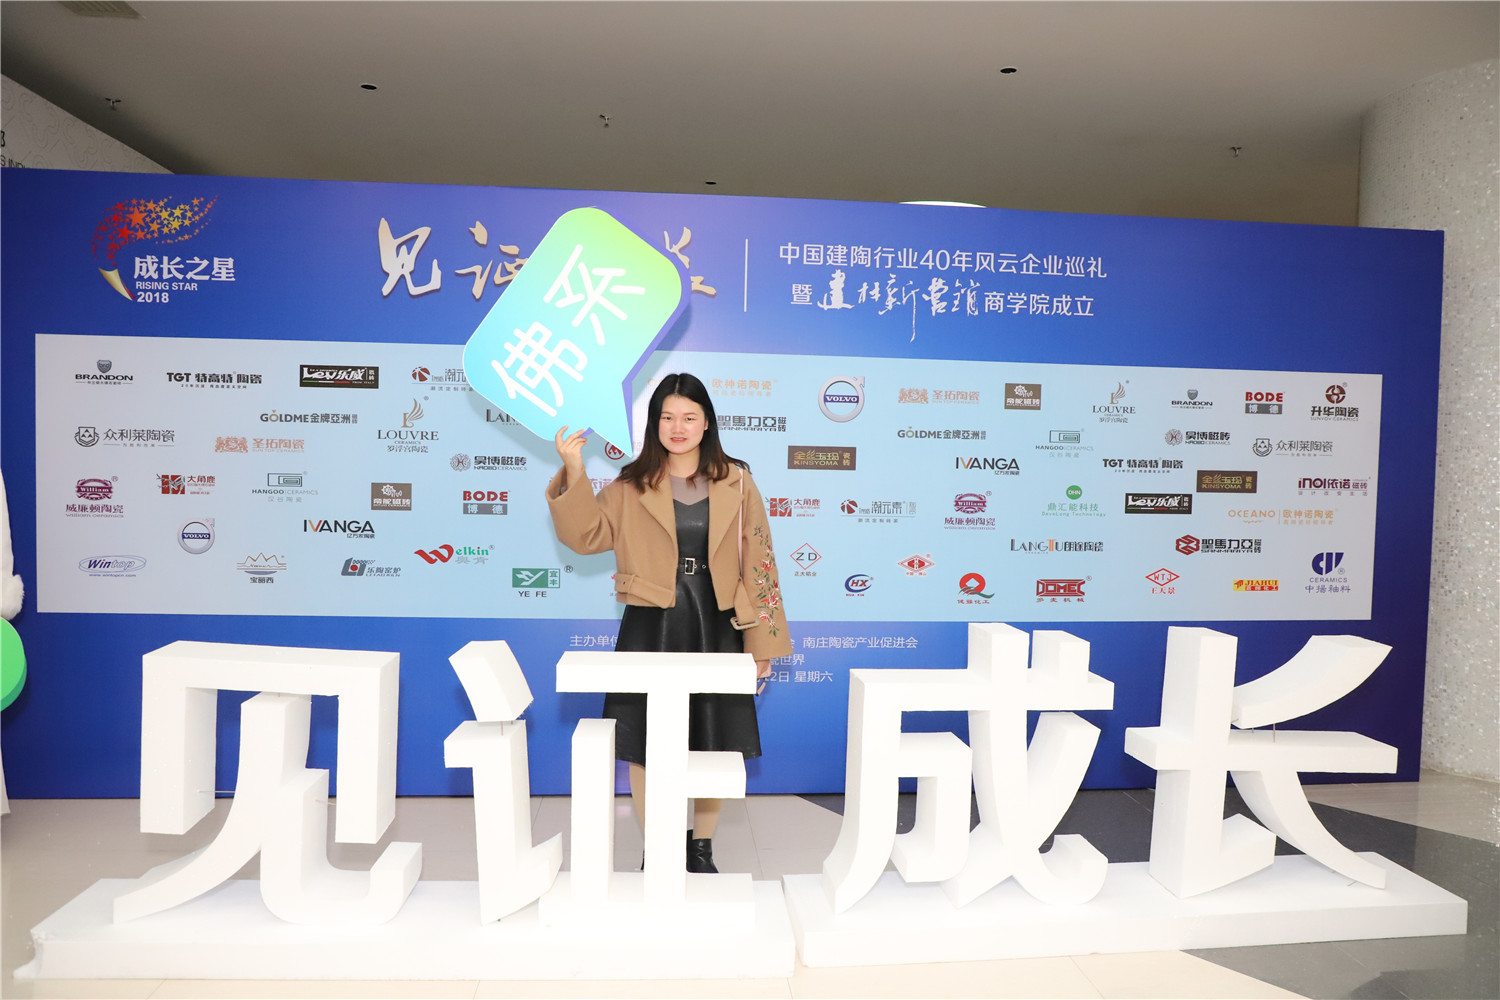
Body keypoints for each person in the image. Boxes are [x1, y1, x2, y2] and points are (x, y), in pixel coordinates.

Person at [546, 373, 791, 874]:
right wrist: (573, 469)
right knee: (645, 741)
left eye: (689, 417)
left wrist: (761, 645)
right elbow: (586, 536)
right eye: (667, 417)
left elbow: (760, 565)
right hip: (649, 625)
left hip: (718, 622)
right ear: (655, 423)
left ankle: (701, 847)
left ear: (707, 423)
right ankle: (659, 841)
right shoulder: (631, 483)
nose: (678, 428)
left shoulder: (739, 482)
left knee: (713, 736)